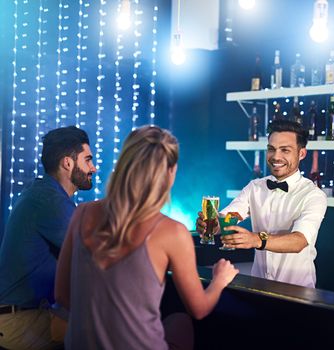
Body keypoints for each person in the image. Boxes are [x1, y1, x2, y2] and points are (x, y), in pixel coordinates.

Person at [55, 125, 238, 350]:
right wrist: (220, 280)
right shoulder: (173, 232)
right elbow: (198, 309)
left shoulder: (82, 213)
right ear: (170, 172)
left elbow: (62, 294)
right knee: (183, 323)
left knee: (176, 323)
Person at [196, 119, 327, 288]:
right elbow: (231, 216)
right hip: (258, 286)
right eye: (271, 149)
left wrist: (257, 240)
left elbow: (299, 241)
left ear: (301, 154)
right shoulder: (255, 187)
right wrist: (214, 225)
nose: (276, 157)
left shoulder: (314, 195)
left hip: (297, 291)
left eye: (285, 150)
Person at [0, 126, 96, 350]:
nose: (93, 167)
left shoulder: (45, 193)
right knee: (107, 330)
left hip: (27, 314)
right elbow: (93, 254)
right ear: (68, 163)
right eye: (88, 160)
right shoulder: (50, 200)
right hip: (19, 322)